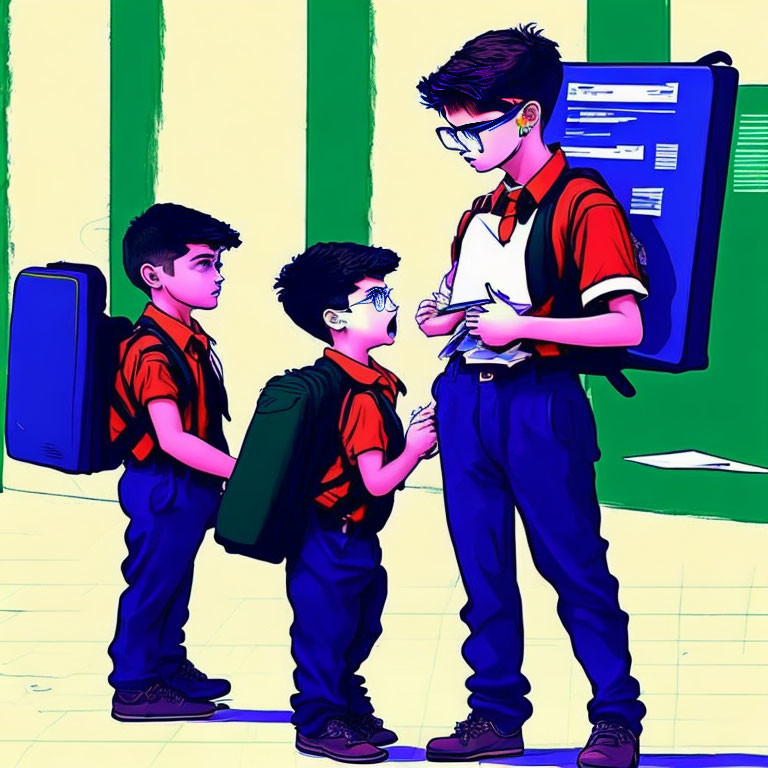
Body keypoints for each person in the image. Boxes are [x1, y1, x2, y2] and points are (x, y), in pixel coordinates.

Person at [414, 25, 647, 768]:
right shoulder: (480, 209)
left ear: (526, 114)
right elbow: (454, 299)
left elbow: (624, 325)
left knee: (574, 565)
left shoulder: (586, 205)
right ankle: (494, 715)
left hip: (541, 401)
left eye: (474, 130)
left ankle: (615, 719)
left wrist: (525, 324)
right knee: (481, 568)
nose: (464, 147)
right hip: (464, 400)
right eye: (451, 135)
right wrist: (437, 315)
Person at [274, 242, 438, 764]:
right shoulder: (361, 396)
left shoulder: (375, 384)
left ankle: (343, 701)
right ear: (335, 318)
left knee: (359, 622)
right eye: (378, 297)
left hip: (353, 537)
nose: (392, 307)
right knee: (327, 630)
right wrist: (414, 448)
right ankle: (321, 720)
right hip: (333, 536)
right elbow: (375, 481)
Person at [108, 203, 241, 721]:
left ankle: (166, 662)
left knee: (174, 580)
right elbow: (172, 438)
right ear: (154, 276)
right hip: (164, 484)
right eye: (204, 264)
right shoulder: (151, 350)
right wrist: (245, 473)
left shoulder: (191, 340)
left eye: (217, 264)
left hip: (191, 484)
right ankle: (136, 685)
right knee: (152, 583)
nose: (218, 276)